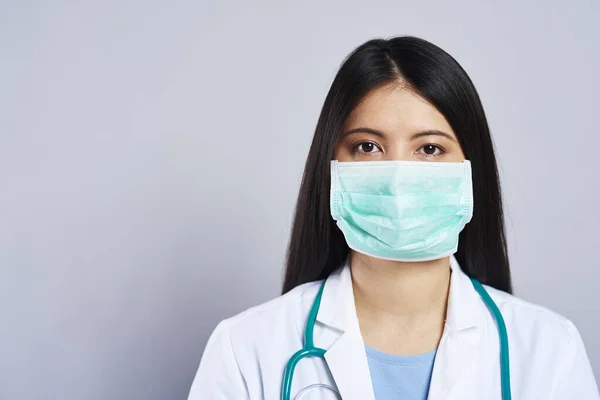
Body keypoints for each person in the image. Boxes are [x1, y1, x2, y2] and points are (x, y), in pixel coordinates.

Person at [187, 36, 600, 400]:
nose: (398, 178)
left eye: (430, 149)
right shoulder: (246, 349)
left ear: (471, 171)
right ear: (329, 167)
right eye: (367, 147)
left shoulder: (548, 350)